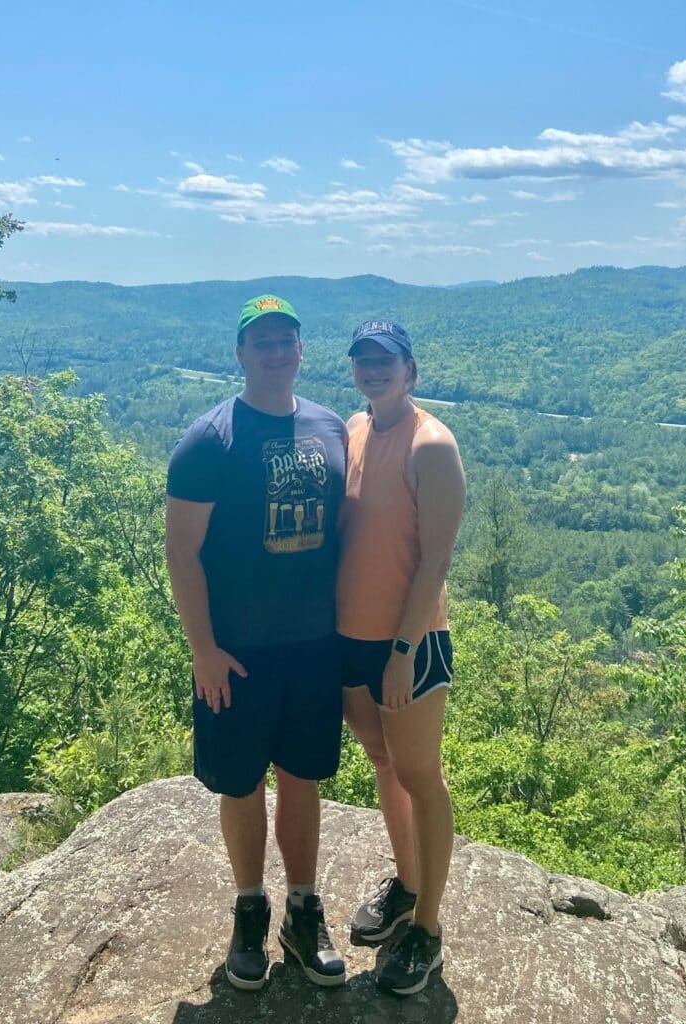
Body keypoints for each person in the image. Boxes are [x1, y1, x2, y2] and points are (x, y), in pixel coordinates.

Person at [165, 295, 348, 991]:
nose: (276, 350)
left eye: (287, 338)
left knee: (302, 779)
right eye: (261, 341)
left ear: (302, 348)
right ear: (240, 354)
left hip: (313, 647)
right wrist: (203, 650)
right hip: (236, 651)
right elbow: (182, 552)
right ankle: (250, 908)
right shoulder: (210, 440)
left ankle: (303, 911)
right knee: (241, 783)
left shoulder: (331, 429)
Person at [337, 319, 466, 996]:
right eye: (363, 359)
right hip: (351, 640)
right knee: (384, 763)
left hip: (407, 643)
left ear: (410, 370)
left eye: (385, 360)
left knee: (421, 775)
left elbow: (436, 560)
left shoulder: (432, 445)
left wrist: (402, 651)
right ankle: (408, 887)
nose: (373, 369)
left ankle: (430, 930)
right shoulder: (355, 431)